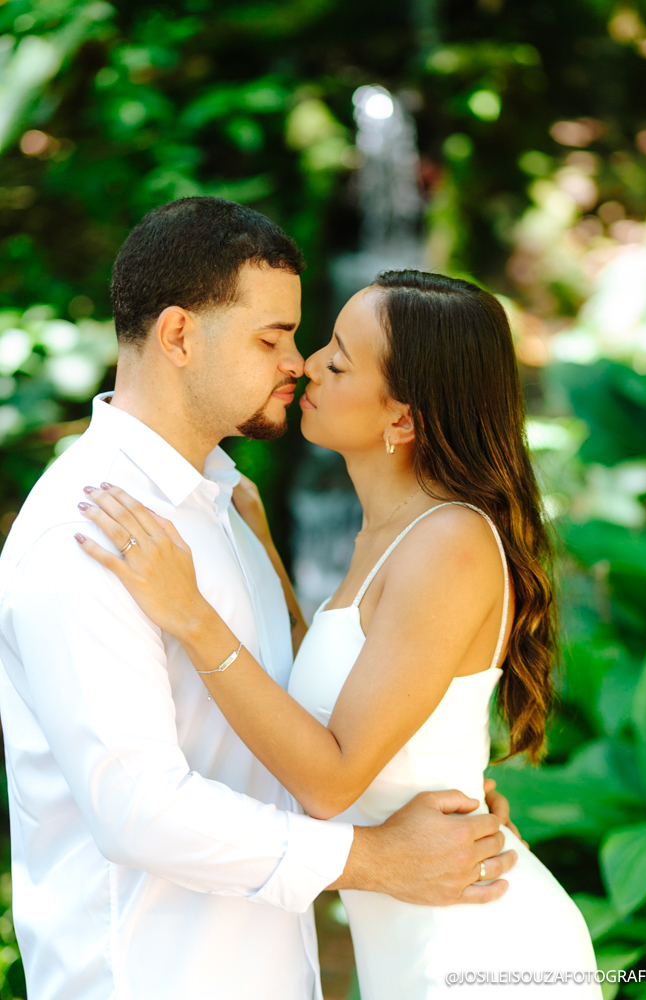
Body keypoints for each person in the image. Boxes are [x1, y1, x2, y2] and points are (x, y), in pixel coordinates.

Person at [0, 198, 517, 1000]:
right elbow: (135, 807)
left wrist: (420, 787)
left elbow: (298, 725)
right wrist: (379, 856)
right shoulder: (92, 530)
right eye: (271, 337)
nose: (298, 362)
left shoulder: (226, 504)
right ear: (178, 337)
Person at [78, 263, 602, 997]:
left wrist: (190, 613)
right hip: (416, 937)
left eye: (339, 359)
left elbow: (328, 779)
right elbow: (327, 703)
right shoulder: (386, 537)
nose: (305, 364)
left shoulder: (447, 543)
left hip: (478, 949)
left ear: (403, 419)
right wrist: (259, 550)